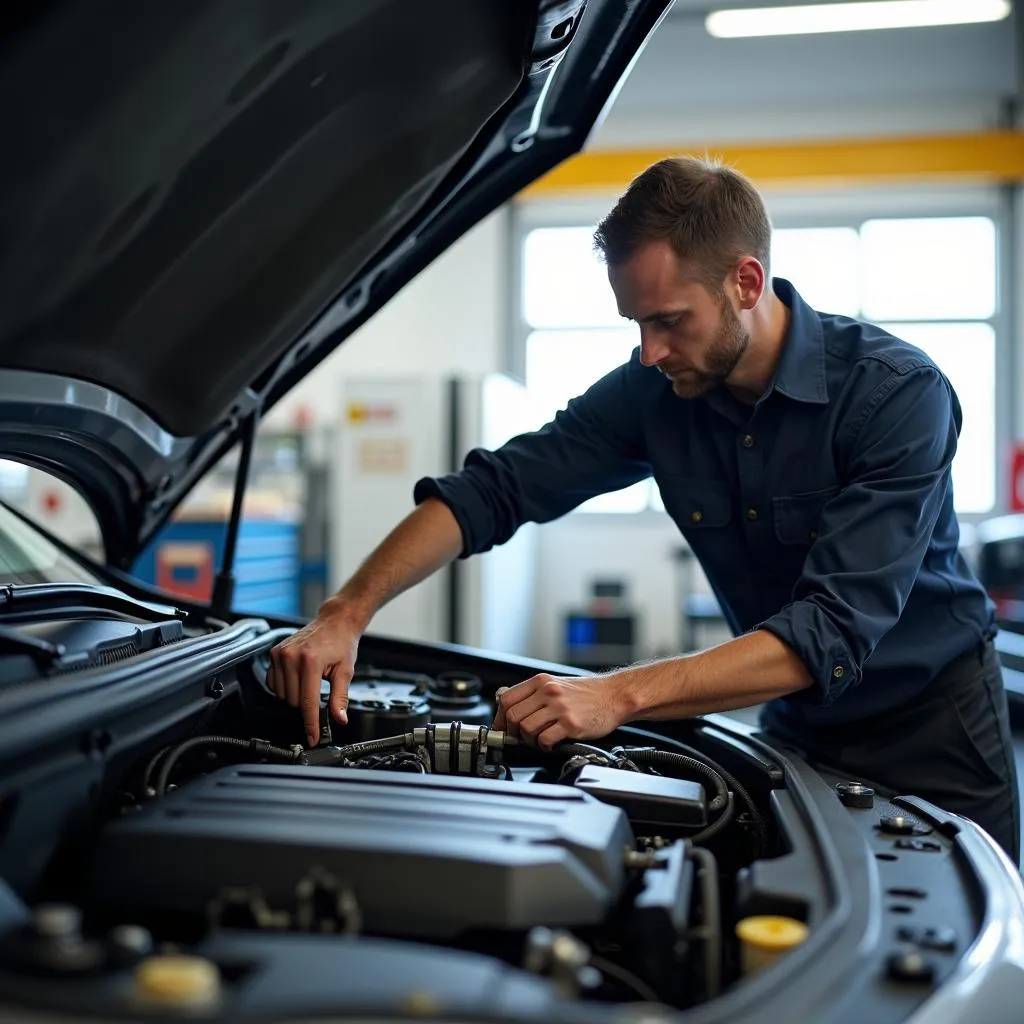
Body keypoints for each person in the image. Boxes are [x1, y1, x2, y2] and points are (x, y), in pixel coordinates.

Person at [268, 156, 1020, 865]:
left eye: (668, 321)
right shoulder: (653, 390)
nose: (649, 351)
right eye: (635, 323)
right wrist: (346, 611)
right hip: (795, 723)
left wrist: (615, 694)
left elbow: (828, 630)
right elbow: (495, 489)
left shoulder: (896, 396)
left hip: (934, 725)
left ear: (747, 282)